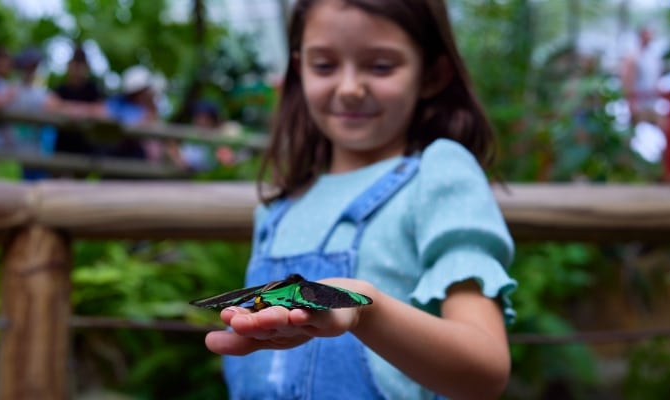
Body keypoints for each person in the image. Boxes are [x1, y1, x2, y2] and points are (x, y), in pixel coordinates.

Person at [203, 1, 517, 399]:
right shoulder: (278, 210)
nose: (350, 88)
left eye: (381, 66)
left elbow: (485, 371)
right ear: (299, 68)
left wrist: (366, 311)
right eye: (324, 65)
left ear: (432, 74)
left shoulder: (439, 174)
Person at [53, 46, 106, 156]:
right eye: (75, 64)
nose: (77, 69)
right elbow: (49, 106)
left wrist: (73, 109)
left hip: (85, 147)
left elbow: (102, 110)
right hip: (63, 145)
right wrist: (77, 110)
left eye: (80, 64)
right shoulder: (62, 88)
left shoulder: (93, 89)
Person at [620, 26, 665, 127]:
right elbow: (627, 80)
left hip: (652, 101)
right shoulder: (633, 56)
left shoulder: (653, 57)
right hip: (638, 101)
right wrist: (631, 102)